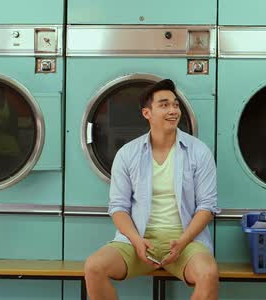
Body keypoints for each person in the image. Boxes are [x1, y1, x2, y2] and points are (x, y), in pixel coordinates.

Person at [84, 79, 219, 300]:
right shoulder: (128, 154)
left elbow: (207, 206)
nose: (173, 110)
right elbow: (118, 207)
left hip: (185, 242)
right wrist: (137, 241)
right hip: (138, 241)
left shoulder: (198, 151)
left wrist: (183, 242)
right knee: (94, 267)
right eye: (164, 105)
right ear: (147, 113)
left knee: (209, 273)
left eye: (175, 105)